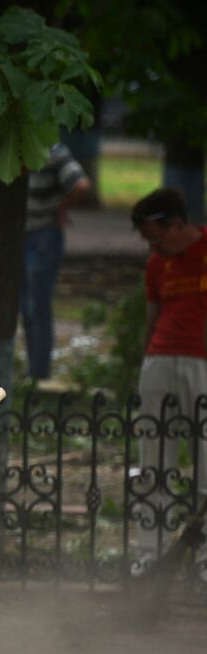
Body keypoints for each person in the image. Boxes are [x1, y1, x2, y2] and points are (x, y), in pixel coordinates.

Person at [129, 188, 207, 573]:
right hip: (160, 361)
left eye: (156, 239)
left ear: (178, 226)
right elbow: (152, 316)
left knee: (205, 459)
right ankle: (151, 552)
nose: (152, 249)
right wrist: (146, 362)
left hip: (201, 362)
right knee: (154, 458)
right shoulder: (157, 265)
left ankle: (204, 556)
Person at [21, 143, 91, 381]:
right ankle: (35, 370)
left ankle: (39, 373)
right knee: (26, 308)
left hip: (43, 235)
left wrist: (60, 208)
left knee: (36, 307)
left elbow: (81, 184)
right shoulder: (11, 146)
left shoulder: (52, 151)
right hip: (22, 237)